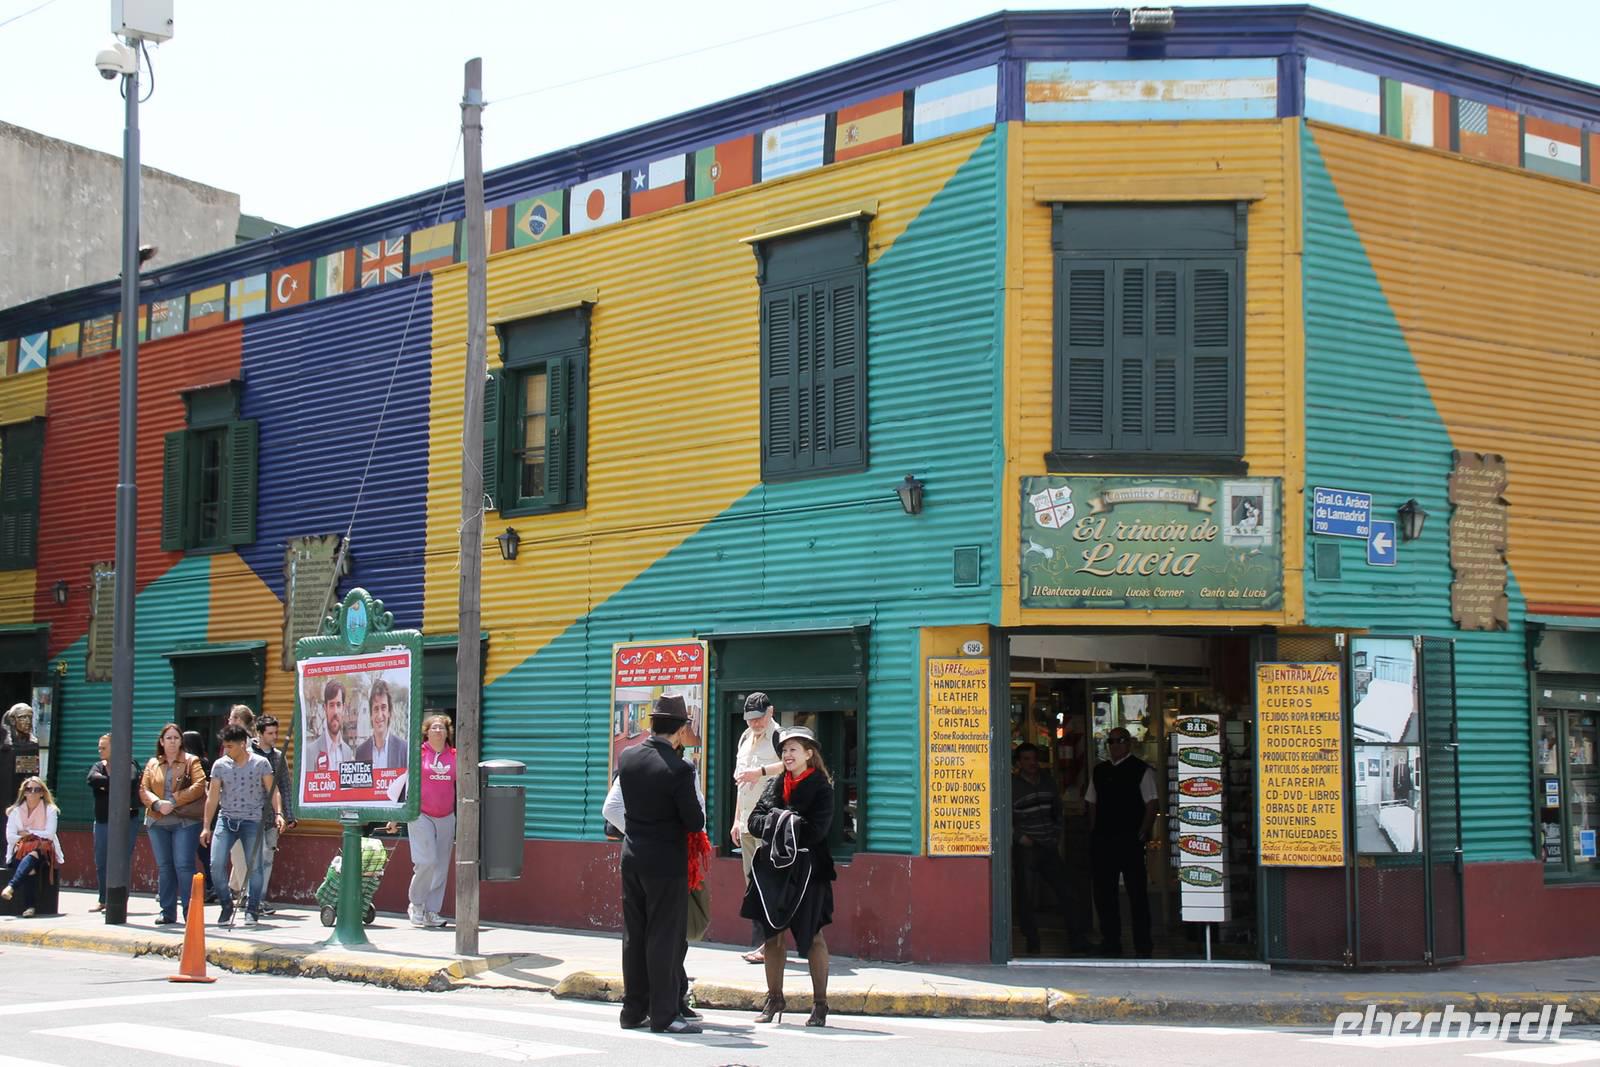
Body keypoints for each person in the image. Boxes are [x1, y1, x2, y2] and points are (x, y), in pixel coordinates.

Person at [602, 709, 709, 1024]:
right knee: (664, 936)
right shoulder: (680, 769)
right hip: (666, 863)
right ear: (679, 731)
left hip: (632, 857)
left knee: (634, 934)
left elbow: (613, 807)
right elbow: (695, 821)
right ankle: (664, 1014)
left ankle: (633, 1010)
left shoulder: (628, 758)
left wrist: (639, 832)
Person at [742, 724, 836, 1028]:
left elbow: (815, 831)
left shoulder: (821, 788)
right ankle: (774, 998)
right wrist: (786, 820)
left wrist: (777, 820)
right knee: (773, 936)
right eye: (784, 750)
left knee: (813, 936)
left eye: (793, 749)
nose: (787, 754)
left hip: (809, 872)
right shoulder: (776, 783)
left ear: (809, 754)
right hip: (775, 872)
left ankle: (820, 1004)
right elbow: (754, 821)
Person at [1086, 727, 1158, 958]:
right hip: (1104, 840)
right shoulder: (1100, 771)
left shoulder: (1141, 770)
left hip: (1129, 840)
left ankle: (1143, 946)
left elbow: (1151, 803)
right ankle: (1111, 943)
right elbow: (1092, 802)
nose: (1116, 745)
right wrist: (1094, 830)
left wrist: (1143, 831)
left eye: (1120, 740)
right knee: (1104, 894)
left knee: (1137, 894)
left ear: (1129, 743)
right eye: (1112, 741)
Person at [201, 724, 282, 927]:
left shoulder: (261, 763)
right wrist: (206, 826)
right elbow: (212, 797)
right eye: (225, 746)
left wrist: (279, 814)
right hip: (226, 820)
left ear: (242, 744)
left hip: (252, 821)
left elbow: (273, 790)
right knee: (216, 864)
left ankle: (252, 909)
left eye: (230, 746)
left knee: (255, 867)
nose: (226, 750)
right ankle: (226, 904)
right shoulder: (220, 765)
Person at [1011, 743, 1088, 954]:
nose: (1032, 763)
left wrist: (1056, 835)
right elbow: (1003, 816)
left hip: (1048, 845)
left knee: (1067, 891)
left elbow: (1057, 811)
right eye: (1026, 759)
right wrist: (1020, 837)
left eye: (1034, 758)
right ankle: (1032, 942)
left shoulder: (1048, 782)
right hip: (1026, 847)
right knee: (1026, 897)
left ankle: (1077, 940)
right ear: (1018, 763)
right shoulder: (1012, 786)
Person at [387, 714, 456, 928]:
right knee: (426, 861)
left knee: (441, 866)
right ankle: (416, 904)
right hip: (421, 814)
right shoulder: (418, 755)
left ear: (447, 732)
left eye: (442, 727)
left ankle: (431, 911)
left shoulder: (455, 756)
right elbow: (403, 785)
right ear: (427, 732)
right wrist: (395, 816)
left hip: (446, 815)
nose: (438, 730)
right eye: (434, 727)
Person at [731, 691, 782, 964]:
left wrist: (760, 772)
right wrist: (736, 820)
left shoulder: (780, 737)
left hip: (769, 823)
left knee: (768, 885)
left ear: (770, 712)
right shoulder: (744, 738)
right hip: (746, 823)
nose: (755, 723)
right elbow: (741, 783)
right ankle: (765, 943)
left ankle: (769, 946)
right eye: (750, 719)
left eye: (759, 718)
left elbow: (791, 766)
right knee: (753, 886)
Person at [141, 724, 207, 925]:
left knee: (184, 865)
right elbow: (143, 788)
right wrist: (157, 804)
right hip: (157, 820)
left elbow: (200, 785)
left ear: (181, 741)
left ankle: (190, 911)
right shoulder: (153, 763)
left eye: (176, 738)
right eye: (168, 738)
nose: (172, 742)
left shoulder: (191, 760)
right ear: (161, 742)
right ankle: (167, 911)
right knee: (165, 866)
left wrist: (174, 801)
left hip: (184, 821)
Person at [87, 733, 142, 913]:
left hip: (127, 820)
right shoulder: (98, 766)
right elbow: (92, 779)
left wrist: (105, 786)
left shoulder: (129, 764)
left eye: (103, 747)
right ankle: (103, 899)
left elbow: (130, 781)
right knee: (101, 860)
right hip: (103, 820)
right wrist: (115, 783)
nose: (100, 750)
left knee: (121, 859)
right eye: (99, 747)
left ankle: (118, 900)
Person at [252, 714, 296, 913]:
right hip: (251, 815)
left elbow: (285, 786)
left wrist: (289, 814)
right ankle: (249, 898)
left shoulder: (278, 757)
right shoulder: (248, 754)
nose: (274, 736)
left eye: (276, 732)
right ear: (259, 733)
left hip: (271, 816)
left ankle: (259, 899)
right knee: (253, 859)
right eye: (270, 733)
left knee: (267, 858)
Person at [3, 776, 63, 917]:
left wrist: (27, 833)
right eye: (29, 789)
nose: (33, 793)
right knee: (30, 868)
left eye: (37, 790)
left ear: (42, 793)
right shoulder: (15, 811)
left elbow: (49, 835)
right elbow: (10, 837)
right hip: (18, 851)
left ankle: (11, 886)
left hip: (43, 851)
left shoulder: (50, 810)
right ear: (24, 792)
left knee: (34, 854)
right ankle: (30, 907)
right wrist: (35, 835)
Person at [181, 729, 218, 904]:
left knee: (195, 854)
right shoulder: (206, 763)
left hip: (195, 815)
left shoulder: (193, 764)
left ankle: (210, 887)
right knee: (205, 854)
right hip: (204, 815)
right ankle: (212, 886)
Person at [303, 679, 353, 773]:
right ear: (325, 708)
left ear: (343, 708)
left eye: (338, 705)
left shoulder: (348, 752)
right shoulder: (310, 752)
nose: (335, 711)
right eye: (331, 705)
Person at [354, 680, 406, 768]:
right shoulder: (360, 752)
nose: (379, 715)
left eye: (383, 708)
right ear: (371, 715)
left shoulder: (403, 749)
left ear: (389, 712)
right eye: (376, 709)